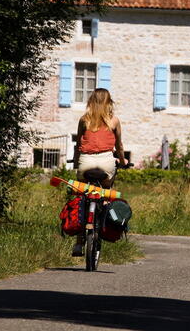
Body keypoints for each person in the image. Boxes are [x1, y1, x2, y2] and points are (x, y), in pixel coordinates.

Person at [71, 88, 126, 256]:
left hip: (85, 162)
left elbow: (78, 145)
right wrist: (122, 161)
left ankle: (79, 243)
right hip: (106, 162)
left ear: (91, 101)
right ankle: (103, 218)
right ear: (109, 102)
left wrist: (75, 162)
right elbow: (119, 146)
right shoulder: (114, 121)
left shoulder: (83, 120)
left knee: (81, 194)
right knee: (106, 191)